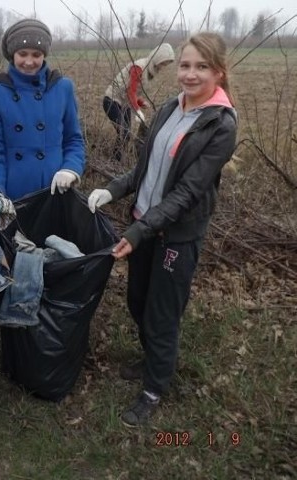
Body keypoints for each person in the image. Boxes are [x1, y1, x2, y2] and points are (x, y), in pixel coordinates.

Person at [88, 32, 237, 427]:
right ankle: (151, 355)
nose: (190, 74)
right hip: (143, 222)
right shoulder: (170, 107)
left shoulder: (221, 125)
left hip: (175, 234)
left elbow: (188, 192)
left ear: (218, 73)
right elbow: (144, 169)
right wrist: (113, 189)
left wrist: (139, 233)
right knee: (137, 301)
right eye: (186, 65)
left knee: (162, 314)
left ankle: (155, 385)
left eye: (201, 67)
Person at [0, 18, 85, 201]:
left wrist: (71, 168)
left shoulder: (63, 88)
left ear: (44, 55)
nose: (29, 62)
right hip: (14, 193)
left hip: (56, 190)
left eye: (36, 54)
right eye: (23, 54)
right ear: (12, 54)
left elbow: (73, 140)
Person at [103, 43, 175, 162]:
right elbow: (130, 91)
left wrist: (141, 102)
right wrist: (137, 110)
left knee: (125, 133)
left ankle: (117, 158)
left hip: (124, 103)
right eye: (163, 63)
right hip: (112, 100)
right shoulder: (139, 67)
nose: (163, 67)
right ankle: (115, 160)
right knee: (124, 132)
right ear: (157, 58)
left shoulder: (150, 70)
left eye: (165, 65)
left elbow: (134, 91)